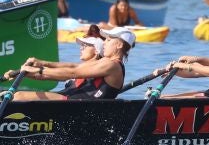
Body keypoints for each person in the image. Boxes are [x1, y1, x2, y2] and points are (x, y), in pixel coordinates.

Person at [3, 27, 133, 100]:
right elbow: (74, 68)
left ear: (120, 45)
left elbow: (72, 72)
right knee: (5, 95)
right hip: (72, 99)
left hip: (81, 106)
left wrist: (38, 70)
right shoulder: (105, 61)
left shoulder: (112, 66)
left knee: (19, 96)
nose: (105, 42)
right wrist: (24, 73)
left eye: (109, 40)